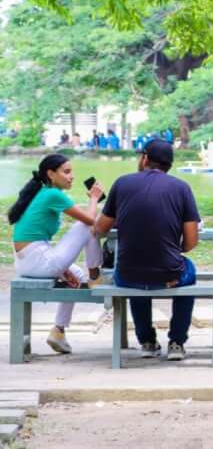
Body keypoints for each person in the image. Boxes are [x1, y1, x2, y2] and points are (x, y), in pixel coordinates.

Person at [95, 139, 200, 362]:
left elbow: (100, 228)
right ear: (169, 165)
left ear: (144, 159)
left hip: (127, 276)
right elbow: (191, 242)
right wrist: (172, 248)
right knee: (188, 272)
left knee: (134, 270)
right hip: (168, 275)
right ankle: (177, 341)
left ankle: (147, 341)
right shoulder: (182, 188)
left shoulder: (122, 183)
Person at [8, 154, 104, 354]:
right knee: (88, 226)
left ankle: (58, 332)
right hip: (38, 259)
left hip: (27, 261)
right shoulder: (53, 194)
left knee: (76, 276)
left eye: (72, 172)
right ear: (51, 174)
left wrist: (61, 271)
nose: (72, 177)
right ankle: (95, 276)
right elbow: (89, 219)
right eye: (66, 172)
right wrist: (94, 198)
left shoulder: (41, 192)